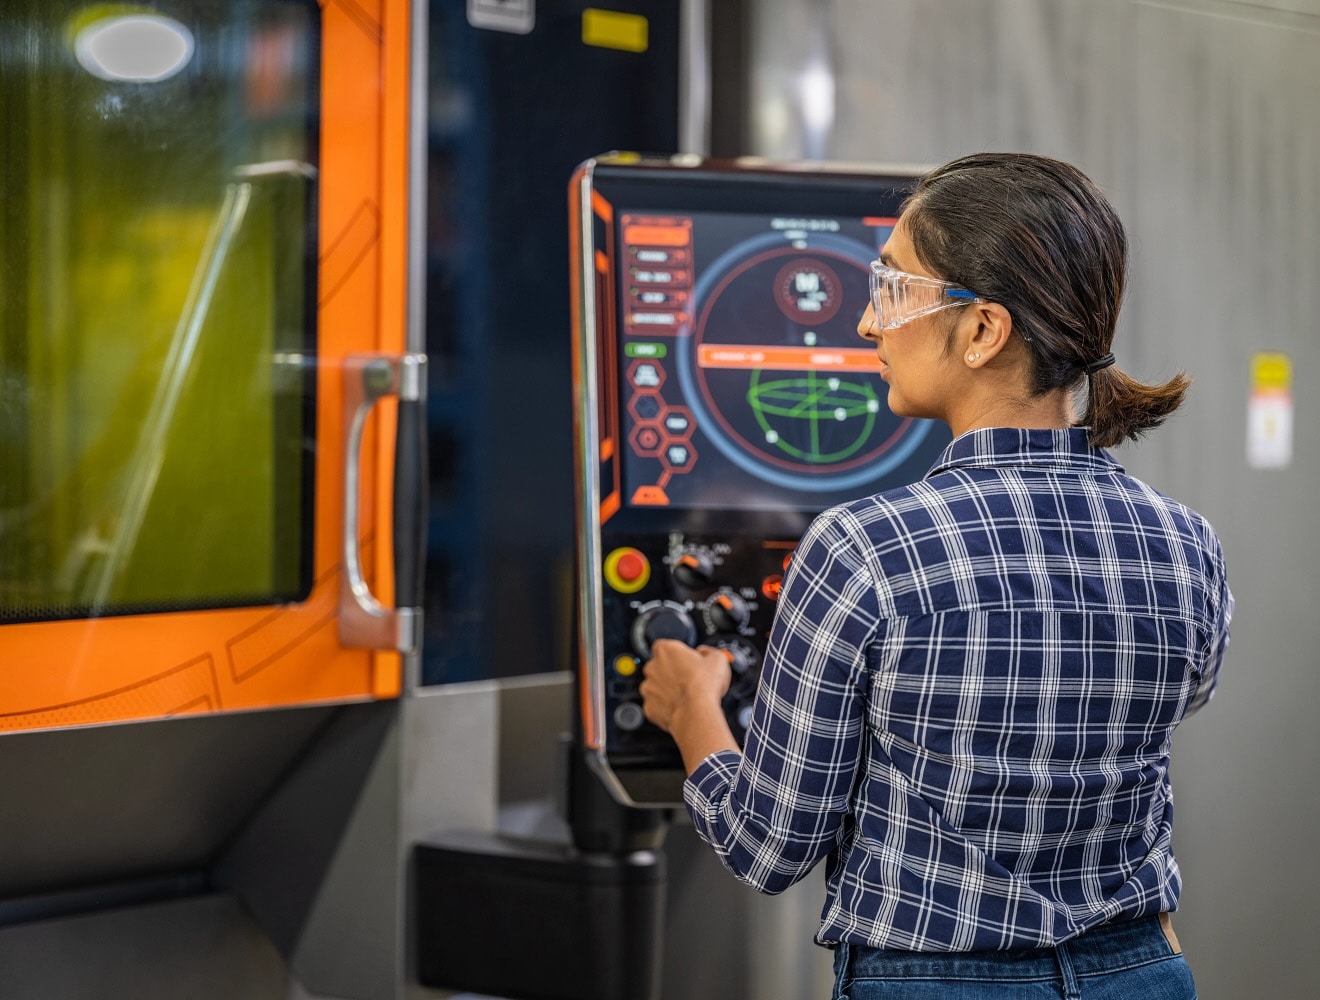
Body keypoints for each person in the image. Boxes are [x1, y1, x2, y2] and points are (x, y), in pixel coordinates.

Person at [639, 152, 1233, 1000]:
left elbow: (769, 846)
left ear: (984, 330)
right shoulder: (1188, 544)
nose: (868, 326)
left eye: (893, 290)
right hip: (1141, 973)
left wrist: (692, 709)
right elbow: (1163, 707)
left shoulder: (864, 549)